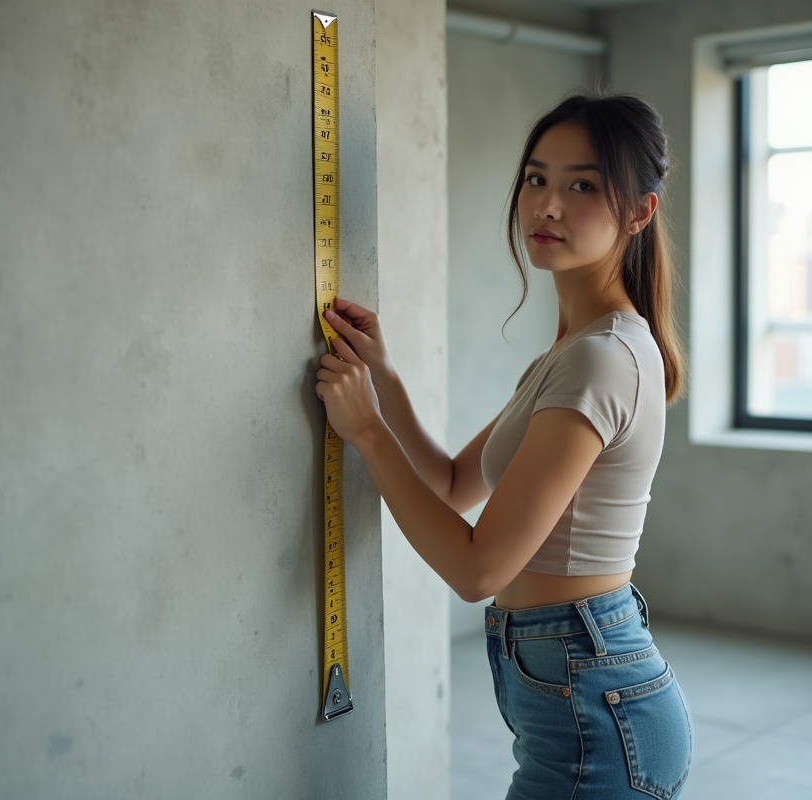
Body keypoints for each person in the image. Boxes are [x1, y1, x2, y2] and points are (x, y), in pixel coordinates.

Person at [315, 92, 693, 799]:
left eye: (583, 186)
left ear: (639, 212)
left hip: (597, 712)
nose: (547, 205)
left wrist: (366, 431)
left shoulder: (601, 359)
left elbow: (478, 568)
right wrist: (385, 381)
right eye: (536, 178)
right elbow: (453, 483)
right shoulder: (571, 355)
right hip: (582, 690)